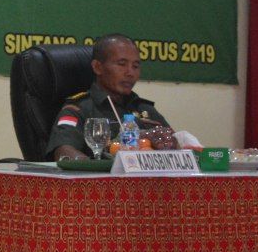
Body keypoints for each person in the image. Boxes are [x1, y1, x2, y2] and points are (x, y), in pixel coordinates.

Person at [47, 34, 175, 161]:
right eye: (122, 64)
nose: (130, 73)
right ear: (97, 67)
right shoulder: (78, 109)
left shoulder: (144, 109)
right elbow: (63, 153)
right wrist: (99, 167)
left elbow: (175, 144)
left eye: (135, 66)